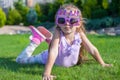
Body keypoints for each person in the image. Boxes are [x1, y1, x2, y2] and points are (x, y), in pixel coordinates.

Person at [16, 4, 112, 80]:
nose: (67, 24)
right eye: (62, 20)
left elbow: (92, 49)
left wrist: (102, 63)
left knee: (57, 44)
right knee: (20, 60)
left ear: (79, 23)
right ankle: (35, 41)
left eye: (72, 20)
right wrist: (47, 73)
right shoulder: (58, 32)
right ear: (58, 22)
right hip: (45, 57)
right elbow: (53, 52)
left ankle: (51, 41)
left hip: (60, 51)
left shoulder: (79, 34)